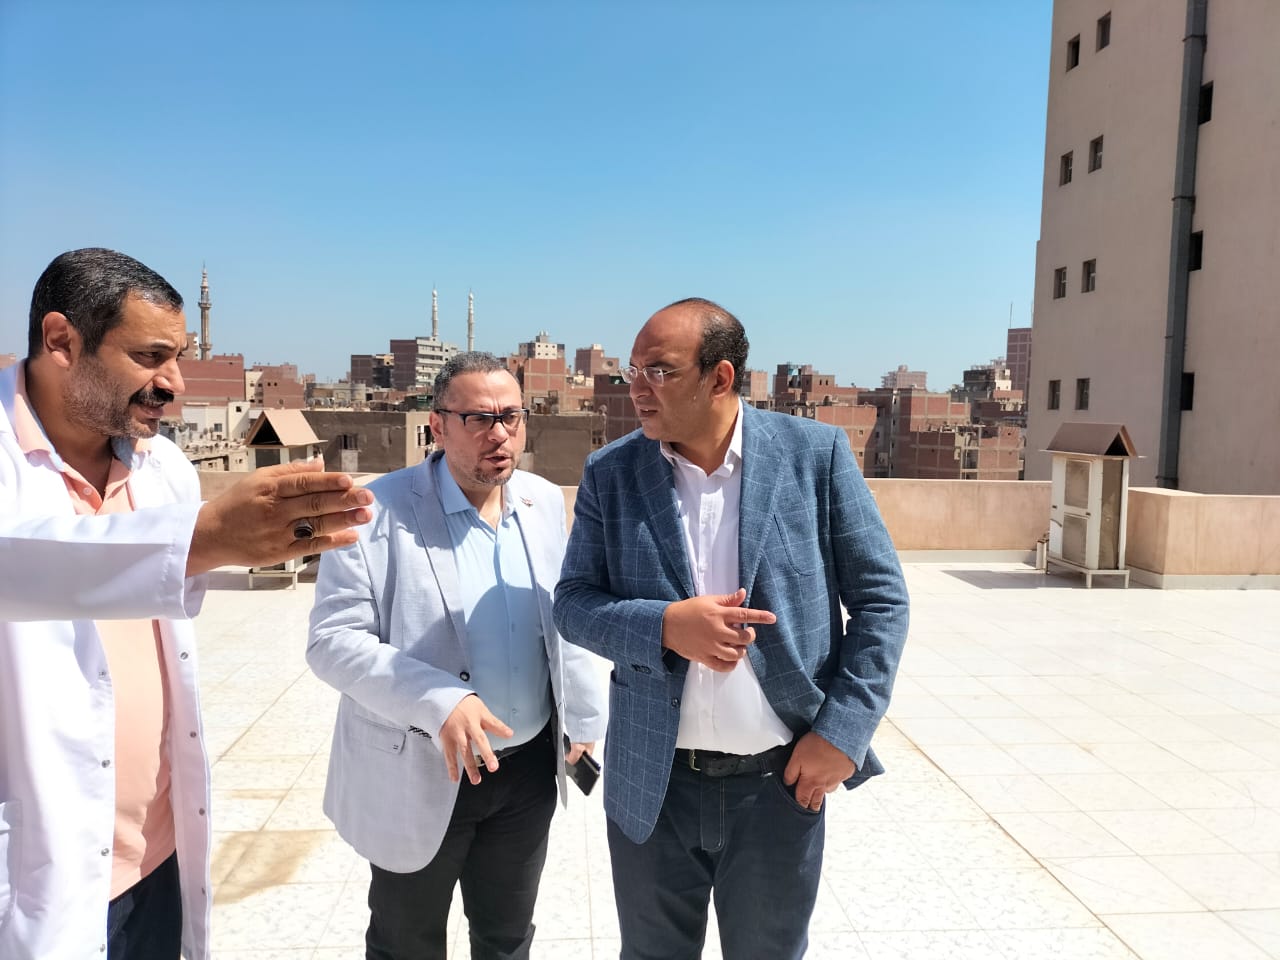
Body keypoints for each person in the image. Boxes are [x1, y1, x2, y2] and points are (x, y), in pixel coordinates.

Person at [0, 247, 374, 960]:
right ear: (61, 341)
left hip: (158, 856)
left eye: (179, 358)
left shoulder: (163, 466)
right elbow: (18, 563)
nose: (173, 384)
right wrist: (202, 539)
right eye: (150, 357)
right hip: (38, 875)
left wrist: (211, 541)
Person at [553, 298, 910, 959]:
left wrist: (843, 732)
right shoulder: (612, 472)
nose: (637, 388)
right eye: (633, 371)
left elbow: (882, 602)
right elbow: (572, 603)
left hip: (779, 788)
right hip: (652, 788)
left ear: (719, 377)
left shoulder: (815, 456)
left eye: (659, 371)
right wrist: (665, 626)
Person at [307, 351, 607, 960]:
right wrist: (440, 700)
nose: (500, 434)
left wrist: (583, 718)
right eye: (478, 418)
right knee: (406, 943)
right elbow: (332, 640)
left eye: (511, 416)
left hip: (525, 773)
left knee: (506, 939)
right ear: (437, 426)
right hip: (422, 768)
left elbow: (562, 616)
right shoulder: (375, 511)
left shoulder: (542, 501)